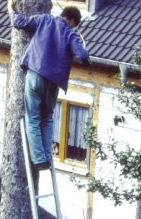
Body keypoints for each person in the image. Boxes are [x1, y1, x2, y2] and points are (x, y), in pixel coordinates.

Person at [8, 0, 89, 171]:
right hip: (53, 82)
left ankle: (38, 159)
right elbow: (81, 55)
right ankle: (46, 156)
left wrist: (11, 9)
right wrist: (85, 56)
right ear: (73, 20)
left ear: (63, 15)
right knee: (47, 118)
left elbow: (19, 23)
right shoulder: (70, 34)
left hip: (36, 74)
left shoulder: (45, 20)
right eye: (75, 25)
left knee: (33, 117)